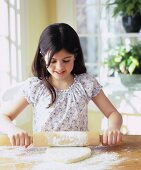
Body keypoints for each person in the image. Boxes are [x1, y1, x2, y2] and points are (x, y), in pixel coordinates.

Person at [0, 23, 122, 147]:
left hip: (79, 155)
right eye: (52, 61)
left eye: (66, 60)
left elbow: (113, 114)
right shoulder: (35, 87)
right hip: (43, 157)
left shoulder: (86, 84)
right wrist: (12, 130)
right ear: (42, 57)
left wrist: (113, 128)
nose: (59, 67)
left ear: (75, 56)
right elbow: (3, 117)